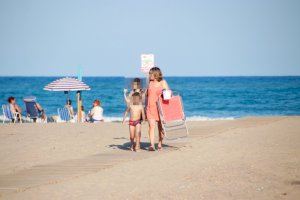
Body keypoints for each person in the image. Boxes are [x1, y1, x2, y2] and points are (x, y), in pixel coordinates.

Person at [146, 67, 169, 151]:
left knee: (160, 127)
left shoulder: (163, 82)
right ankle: (152, 145)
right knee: (151, 126)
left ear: (155, 74)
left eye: (150, 74)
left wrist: (164, 92)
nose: (149, 75)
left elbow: (168, 95)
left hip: (160, 108)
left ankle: (160, 143)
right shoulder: (150, 82)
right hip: (150, 107)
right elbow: (147, 95)